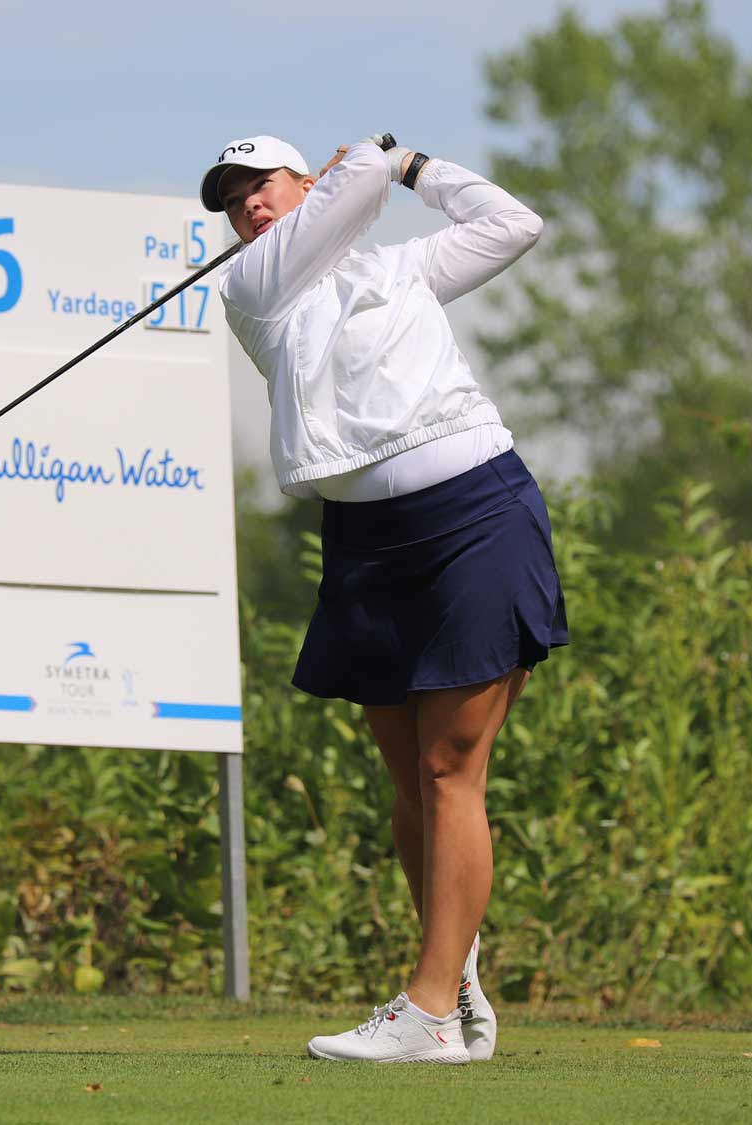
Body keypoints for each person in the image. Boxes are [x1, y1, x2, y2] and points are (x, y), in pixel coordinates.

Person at [200, 134, 566, 1064]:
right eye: (230, 198)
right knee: (407, 777)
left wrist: (416, 169)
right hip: (366, 540)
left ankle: (431, 1005)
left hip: (475, 511)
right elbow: (351, 184)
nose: (247, 206)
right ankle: (457, 967)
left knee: (450, 769)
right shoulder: (252, 291)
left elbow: (514, 223)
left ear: (302, 185)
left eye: (262, 186)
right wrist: (367, 160)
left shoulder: (402, 271)